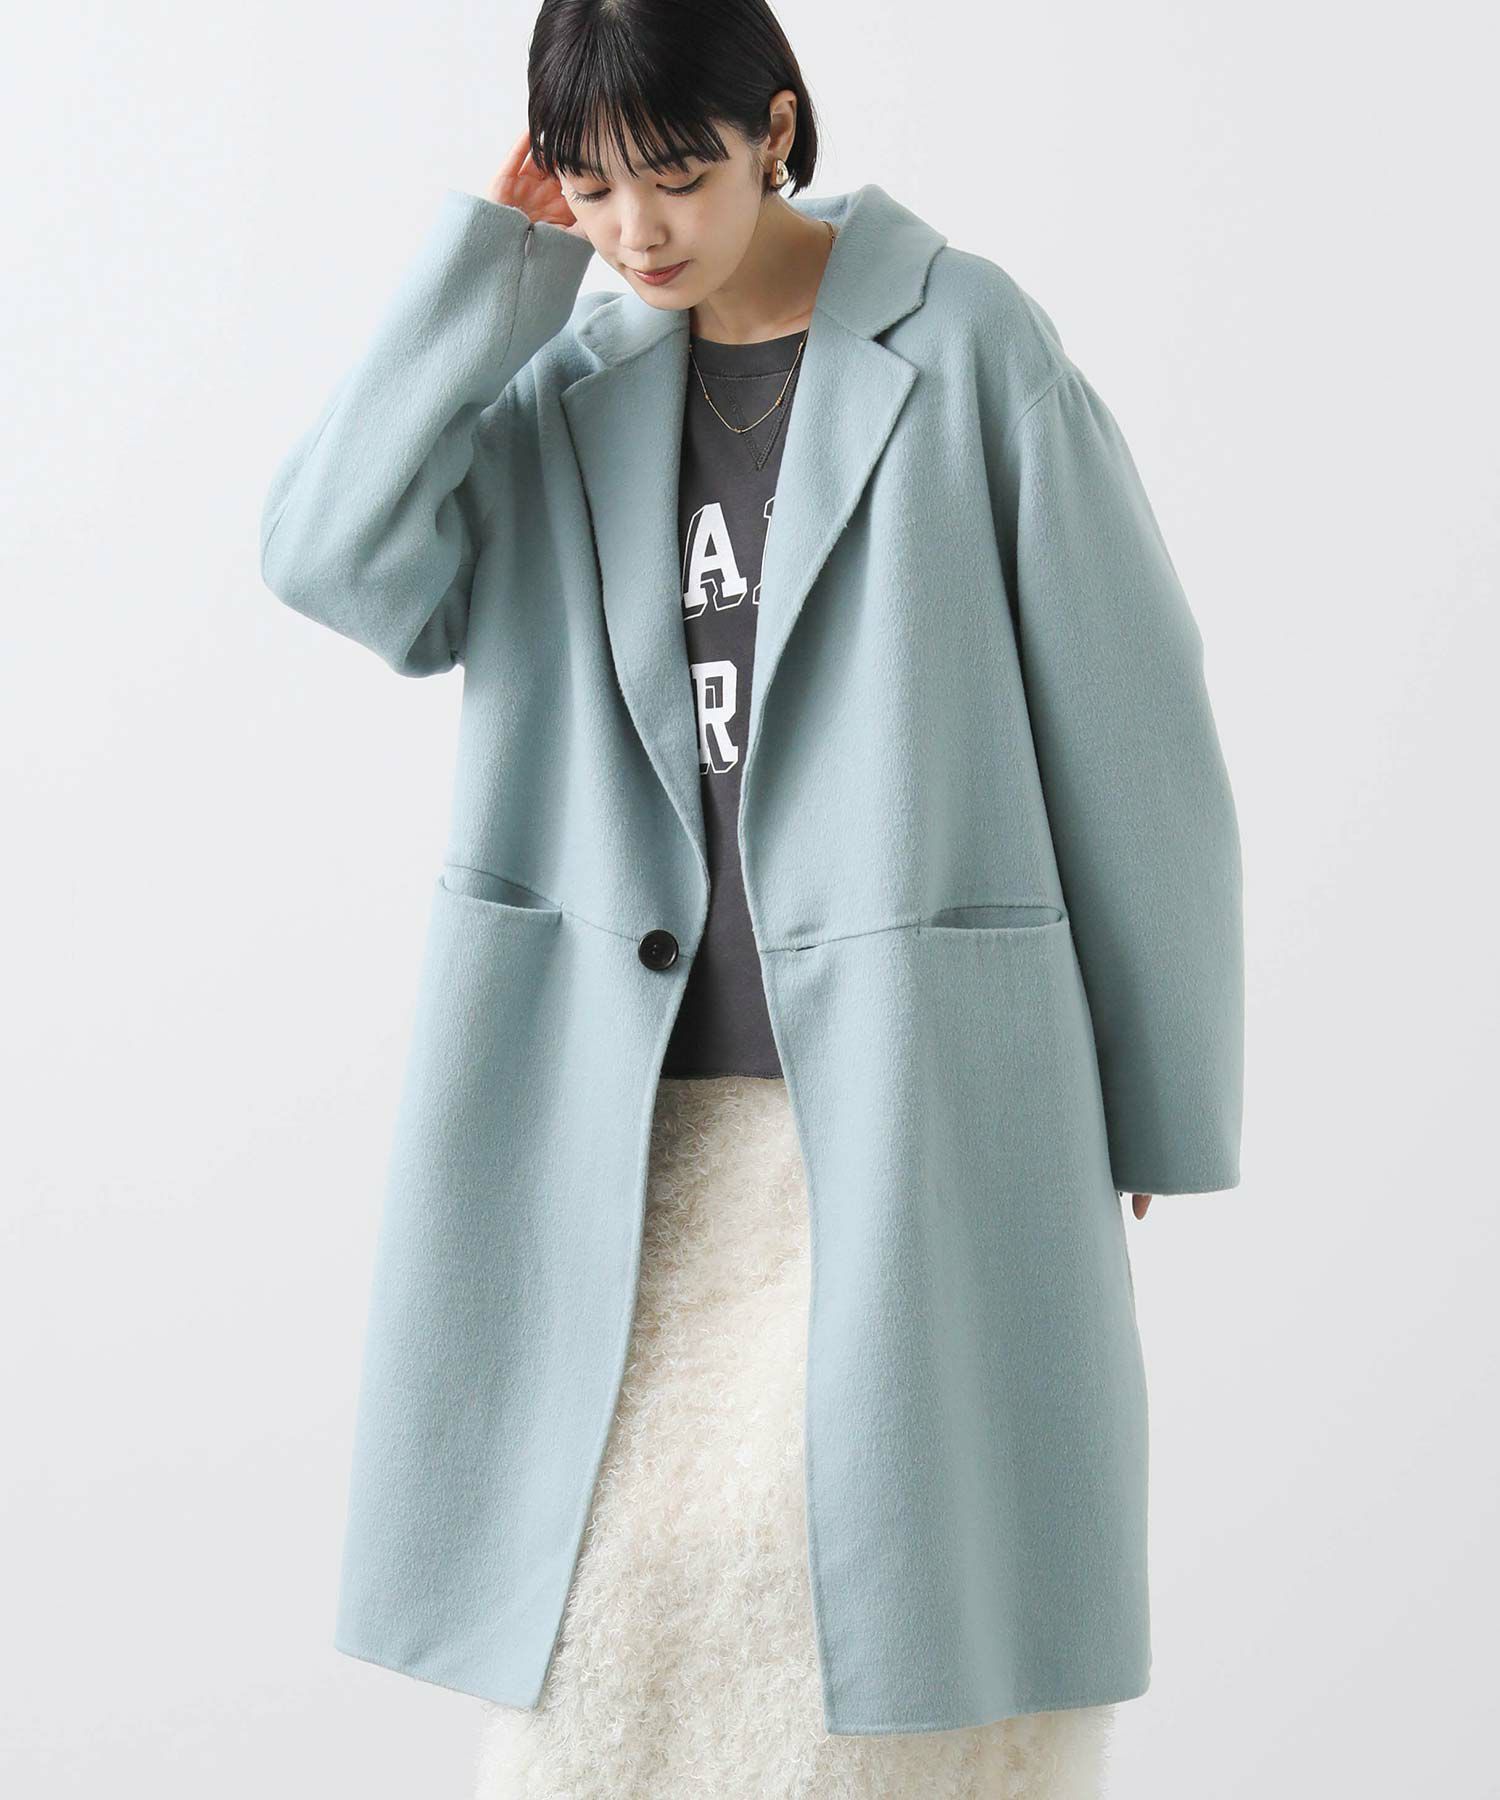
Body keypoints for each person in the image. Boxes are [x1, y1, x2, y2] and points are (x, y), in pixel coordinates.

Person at [259, 1, 1243, 1794]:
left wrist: (1155, 1088)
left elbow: (1131, 719)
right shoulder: (562, 379)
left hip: (904, 1103)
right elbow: (335, 559)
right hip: (620, 1124)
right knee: (606, 1639)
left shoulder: (963, 344)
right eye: (590, 186)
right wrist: (491, 271)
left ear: (776, 127)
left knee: (873, 1628)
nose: (636, 229)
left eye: (677, 174)